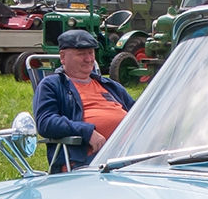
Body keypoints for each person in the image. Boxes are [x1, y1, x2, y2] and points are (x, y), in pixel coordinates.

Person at [32, 29, 135, 172]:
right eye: (81, 54)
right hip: (91, 161)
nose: (88, 59)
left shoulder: (109, 85)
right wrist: (86, 132)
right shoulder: (52, 85)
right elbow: (46, 122)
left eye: (91, 53)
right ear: (63, 57)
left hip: (131, 153)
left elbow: (140, 111)